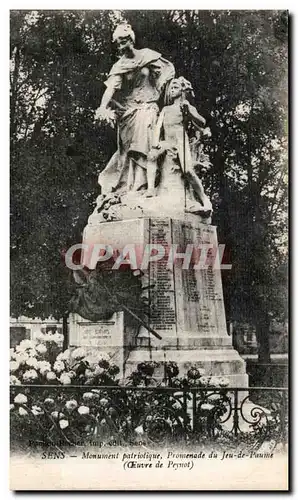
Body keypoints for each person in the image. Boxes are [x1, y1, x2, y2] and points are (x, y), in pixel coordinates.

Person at [95, 23, 175, 195]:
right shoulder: (119, 66)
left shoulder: (147, 55)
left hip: (149, 106)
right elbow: (111, 88)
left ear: (131, 39)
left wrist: (161, 84)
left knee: (145, 142)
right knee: (128, 151)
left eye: (123, 42)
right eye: (118, 44)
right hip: (129, 111)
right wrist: (102, 107)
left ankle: (144, 186)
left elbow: (168, 70)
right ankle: (130, 187)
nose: (121, 47)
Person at [146, 77, 212, 213]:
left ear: (183, 90)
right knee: (151, 156)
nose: (171, 90)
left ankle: (204, 199)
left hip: (180, 140)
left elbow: (202, 121)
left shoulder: (186, 106)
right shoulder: (165, 109)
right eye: (171, 88)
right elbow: (158, 127)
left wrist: (188, 111)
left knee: (188, 170)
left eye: (175, 87)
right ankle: (150, 189)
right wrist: (155, 143)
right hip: (167, 141)